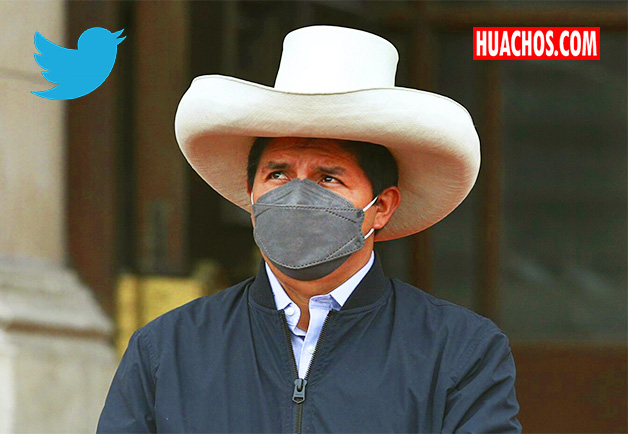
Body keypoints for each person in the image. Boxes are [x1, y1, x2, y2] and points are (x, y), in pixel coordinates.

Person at [98, 25, 521, 433]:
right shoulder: (166, 350)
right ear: (250, 193)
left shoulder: (460, 352)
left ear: (382, 207)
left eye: (328, 178)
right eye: (278, 174)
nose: (297, 196)